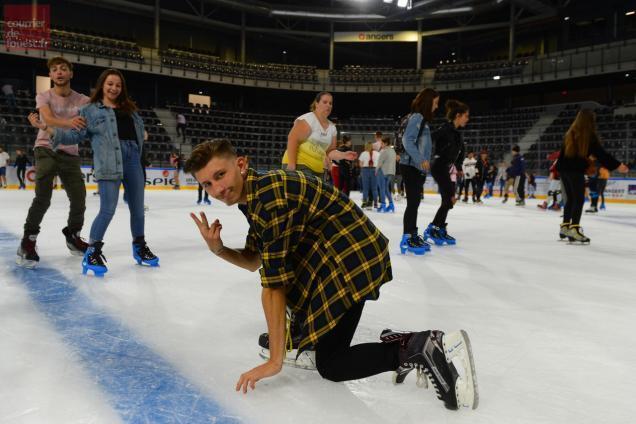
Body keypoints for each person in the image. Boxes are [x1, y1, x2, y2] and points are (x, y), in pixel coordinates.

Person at [185, 139, 478, 410]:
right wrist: (219, 249)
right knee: (288, 274)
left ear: (241, 164)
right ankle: (318, 332)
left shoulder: (269, 198)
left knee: (333, 365)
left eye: (220, 175)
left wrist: (275, 361)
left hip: (352, 260)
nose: (217, 189)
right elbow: (253, 261)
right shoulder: (258, 194)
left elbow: (273, 286)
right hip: (338, 257)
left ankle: (416, 347)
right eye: (208, 184)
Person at [29, 68, 159, 275]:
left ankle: (140, 247)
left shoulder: (131, 110)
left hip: (133, 161)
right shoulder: (90, 110)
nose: (114, 88)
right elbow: (73, 137)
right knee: (107, 209)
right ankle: (92, 251)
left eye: (118, 85)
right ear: (102, 86)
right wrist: (47, 128)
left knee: (137, 209)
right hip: (109, 163)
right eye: (110, 84)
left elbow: (139, 137)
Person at [17, 57, 89, 269]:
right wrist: (70, 122)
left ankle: (73, 235)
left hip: (70, 152)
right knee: (43, 197)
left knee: (79, 197)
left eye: (63, 69)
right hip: (45, 148)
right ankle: (28, 240)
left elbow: (86, 123)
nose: (59, 72)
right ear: (50, 75)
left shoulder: (82, 100)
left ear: (70, 74)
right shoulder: (43, 96)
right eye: (55, 70)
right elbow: (46, 119)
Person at [556, 109, 629, 243]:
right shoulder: (588, 135)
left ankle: (565, 227)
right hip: (575, 171)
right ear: (591, 121)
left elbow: (562, 155)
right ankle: (575, 229)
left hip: (563, 170)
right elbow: (602, 154)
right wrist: (618, 165)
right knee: (578, 199)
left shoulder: (569, 133)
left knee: (571, 199)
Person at [399, 88, 438, 255]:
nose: (436, 107)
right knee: (413, 203)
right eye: (435, 103)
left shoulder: (419, 118)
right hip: (411, 166)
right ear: (428, 102)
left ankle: (413, 234)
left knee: (414, 203)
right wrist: (420, 160)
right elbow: (407, 140)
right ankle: (408, 237)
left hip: (413, 166)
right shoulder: (418, 117)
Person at [282, 92, 356, 178]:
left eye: (330, 103)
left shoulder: (332, 127)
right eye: (325, 102)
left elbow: (329, 152)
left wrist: (343, 155)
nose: (328, 105)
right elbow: (292, 139)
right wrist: (291, 165)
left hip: (319, 170)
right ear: (316, 104)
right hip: (300, 165)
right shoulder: (308, 119)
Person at [424, 99, 468, 245]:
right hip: (439, 166)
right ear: (458, 115)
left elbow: (461, 152)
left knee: (448, 200)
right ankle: (433, 228)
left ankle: (440, 228)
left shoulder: (457, 133)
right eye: (466, 116)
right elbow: (429, 138)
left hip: (446, 167)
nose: (467, 119)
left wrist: (459, 167)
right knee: (449, 199)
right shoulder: (445, 129)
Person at [376, 136, 396, 213]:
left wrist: (376, 170)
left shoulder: (384, 151)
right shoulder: (393, 151)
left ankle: (383, 206)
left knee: (382, 189)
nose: (381, 145)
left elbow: (380, 163)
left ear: (385, 143)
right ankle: (391, 205)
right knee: (386, 189)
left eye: (382, 143)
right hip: (391, 172)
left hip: (383, 171)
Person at [358, 142, 379, 210]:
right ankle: (375, 203)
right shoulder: (377, 153)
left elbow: (360, 164)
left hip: (365, 170)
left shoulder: (363, 153)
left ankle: (364, 202)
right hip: (375, 170)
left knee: (365, 188)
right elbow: (380, 163)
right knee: (374, 188)